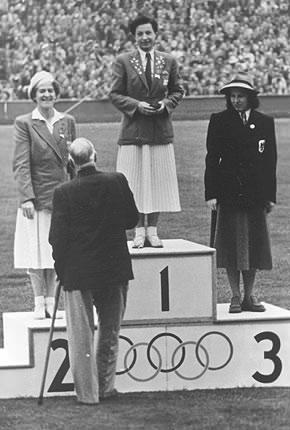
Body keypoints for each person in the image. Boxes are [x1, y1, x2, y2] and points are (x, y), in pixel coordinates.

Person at [49, 137, 139, 404]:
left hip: (79, 271)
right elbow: (131, 219)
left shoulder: (63, 192)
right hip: (113, 267)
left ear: (71, 162)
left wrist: (60, 269)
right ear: (95, 155)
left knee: (81, 336)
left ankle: (88, 394)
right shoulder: (117, 180)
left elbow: (57, 238)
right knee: (110, 331)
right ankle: (105, 386)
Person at [204, 73, 277, 313]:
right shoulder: (219, 120)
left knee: (252, 246)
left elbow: (270, 161)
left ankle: (249, 295)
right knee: (231, 246)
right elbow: (212, 159)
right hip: (228, 194)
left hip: (255, 195)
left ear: (250, 98)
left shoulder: (265, 121)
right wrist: (211, 193)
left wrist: (270, 195)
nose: (236, 100)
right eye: (232, 97)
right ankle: (235, 296)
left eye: (241, 96)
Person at [110, 14, 184, 248]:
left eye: (148, 33)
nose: (144, 37)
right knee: (133, 183)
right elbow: (115, 94)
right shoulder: (123, 60)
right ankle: (138, 232)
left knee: (158, 182)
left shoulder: (169, 61)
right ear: (134, 37)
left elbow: (177, 90)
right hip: (133, 131)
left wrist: (165, 105)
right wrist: (136, 105)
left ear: (155, 34)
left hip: (159, 130)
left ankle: (153, 230)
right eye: (140, 34)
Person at [13, 71, 76, 319]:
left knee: (56, 251)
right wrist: (26, 197)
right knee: (35, 250)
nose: (47, 95)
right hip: (36, 197)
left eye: (50, 90)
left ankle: (52, 301)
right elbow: (21, 163)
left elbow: (73, 161)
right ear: (34, 96)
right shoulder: (24, 123)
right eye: (42, 91)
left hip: (62, 196)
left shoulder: (67, 120)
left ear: (56, 94)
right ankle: (39, 303)